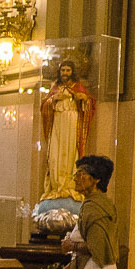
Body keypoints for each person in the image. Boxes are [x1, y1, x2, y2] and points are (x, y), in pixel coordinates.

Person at [62, 155, 118, 269]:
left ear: (97, 179)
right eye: (76, 174)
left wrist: (71, 246)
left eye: (81, 174)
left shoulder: (94, 207)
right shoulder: (95, 203)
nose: (76, 179)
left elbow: (97, 246)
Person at [40, 60, 96, 201]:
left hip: (72, 125)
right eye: (63, 70)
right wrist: (54, 99)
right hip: (57, 126)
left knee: (71, 154)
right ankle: (57, 186)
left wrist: (83, 99)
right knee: (55, 155)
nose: (65, 73)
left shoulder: (78, 87)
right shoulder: (55, 87)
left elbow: (90, 104)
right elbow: (44, 106)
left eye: (68, 70)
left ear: (72, 72)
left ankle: (70, 186)